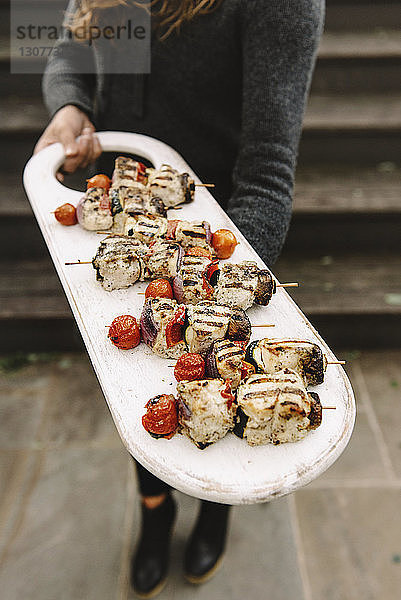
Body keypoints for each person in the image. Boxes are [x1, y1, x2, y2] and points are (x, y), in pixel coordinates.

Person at [35, 1, 324, 597]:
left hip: (219, 242)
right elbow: (68, 42)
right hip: (124, 219)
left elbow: (268, 169)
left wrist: (211, 295)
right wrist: (70, 103)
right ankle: (154, 508)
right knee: (139, 385)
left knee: (210, 386)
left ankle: (216, 507)